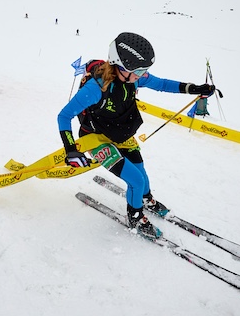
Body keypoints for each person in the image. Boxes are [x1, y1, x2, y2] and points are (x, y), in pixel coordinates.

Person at [57, 32, 215, 239]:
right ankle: (135, 218)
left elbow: (162, 84)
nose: (143, 75)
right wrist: (70, 150)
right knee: (136, 180)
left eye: (145, 70)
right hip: (96, 139)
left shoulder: (132, 78)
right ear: (120, 66)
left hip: (121, 135)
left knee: (142, 173)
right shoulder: (95, 88)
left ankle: (146, 199)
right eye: (139, 71)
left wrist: (193, 88)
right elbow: (64, 116)